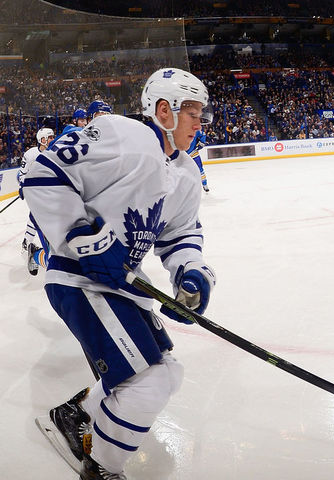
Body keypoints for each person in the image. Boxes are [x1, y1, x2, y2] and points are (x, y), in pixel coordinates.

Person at [23, 67, 215, 480]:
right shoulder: (121, 134)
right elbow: (44, 174)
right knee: (147, 382)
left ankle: (76, 414)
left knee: (167, 372)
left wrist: (191, 275)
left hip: (120, 284)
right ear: (164, 109)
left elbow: (181, 234)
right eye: (193, 112)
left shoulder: (185, 174)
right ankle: (102, 469)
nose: (201, 123)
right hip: (77, 277)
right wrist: (84, 237)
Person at [18, 127, 55, 275]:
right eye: (49, 137)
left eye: (53, 137)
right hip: (37, 192)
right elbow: (22, 173)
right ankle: (27, 241)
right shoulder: (31, 154)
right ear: (42, 139)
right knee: (36, 216)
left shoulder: (54, 152)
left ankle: (31, 245)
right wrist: (22, 186)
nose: (52, 140)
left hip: (51, 192)